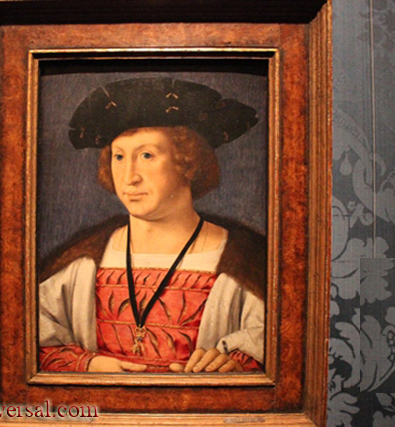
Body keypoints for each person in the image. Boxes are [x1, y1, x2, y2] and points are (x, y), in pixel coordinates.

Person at [38, 77, 266, 373]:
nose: (129, 177)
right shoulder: (82, 261)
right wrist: (89, 364)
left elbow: (273, 351)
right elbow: (29, 341)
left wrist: (232, 366)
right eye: (119, 157)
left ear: (188, 162)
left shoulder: (244, 262)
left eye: (146, 155)